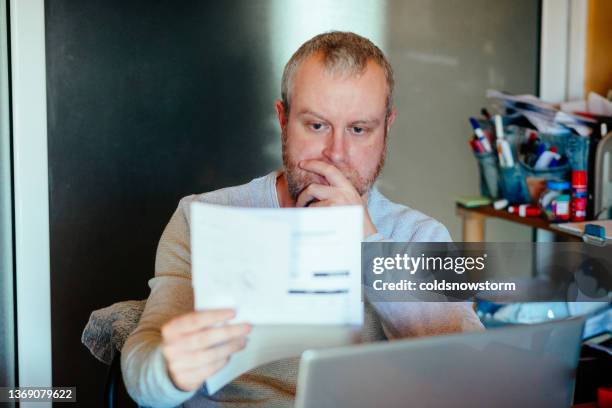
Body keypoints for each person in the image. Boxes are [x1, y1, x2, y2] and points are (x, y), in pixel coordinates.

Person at [121, 31, 484, 408]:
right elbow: (142, 368)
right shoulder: (202, 217)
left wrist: (367, 247)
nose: (336, 155)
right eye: (316, 126)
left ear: (386, 128)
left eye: (359, 130)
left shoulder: (418, 236)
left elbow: (466, 376)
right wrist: (169, 370)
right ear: (283, 119)